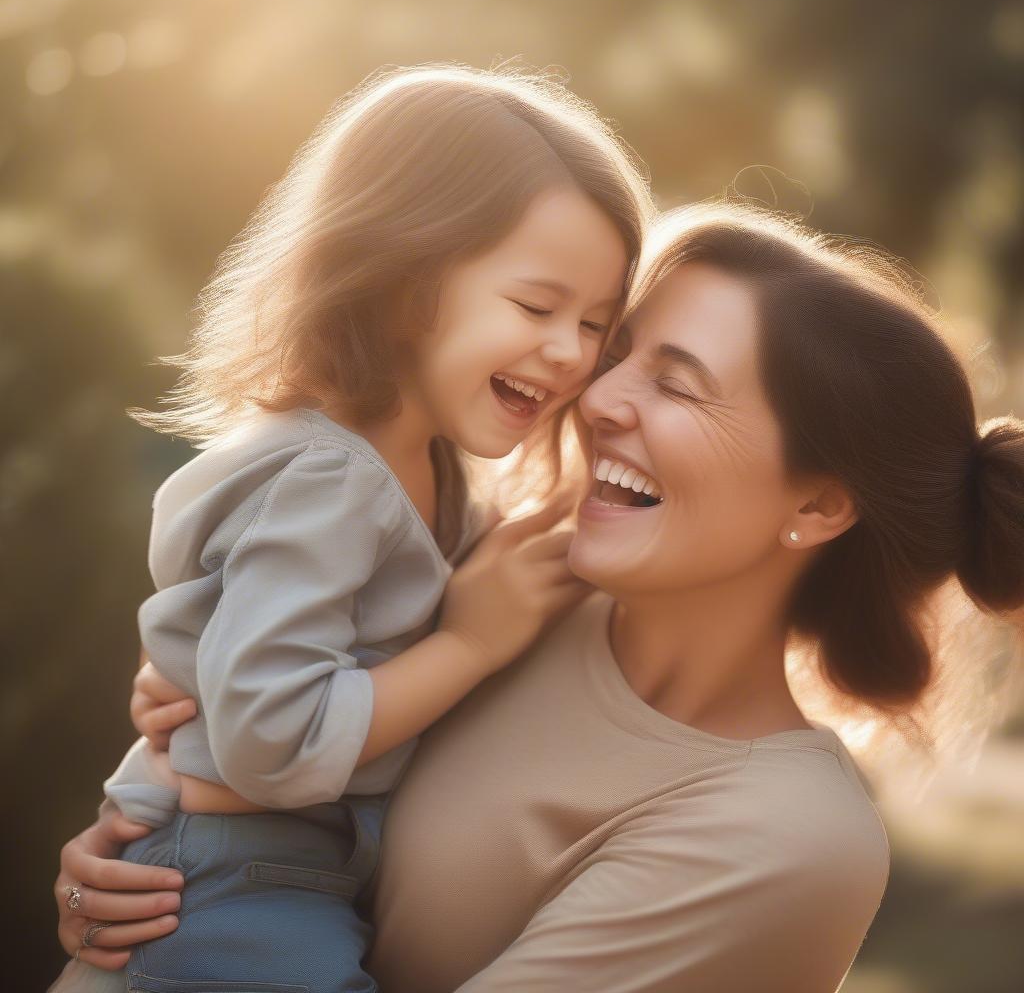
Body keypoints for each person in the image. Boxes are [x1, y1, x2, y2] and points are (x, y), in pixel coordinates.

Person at [53, 203, 1024, 992]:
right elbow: (262, 739)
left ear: (815, 504)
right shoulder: (499, 581)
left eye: (678, 386)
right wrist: (162, 861)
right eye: (621, 353)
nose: (597, 398)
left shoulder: (787, 838)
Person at [49, 63, 652, 992]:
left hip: (295, 865)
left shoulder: (438, 465)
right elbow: (268, 738)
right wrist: (467, 645)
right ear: (404, 280)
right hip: (227, 877)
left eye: (597, 326)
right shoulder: (328, 479)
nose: (570, 352)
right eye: (537, 307)